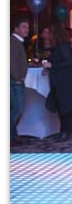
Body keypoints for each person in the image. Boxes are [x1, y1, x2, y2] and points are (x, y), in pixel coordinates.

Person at [42, 23, 72, 141]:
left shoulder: (62, 46)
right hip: (61, 79)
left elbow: (69, 61)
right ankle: (64, 130)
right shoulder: (59, 46)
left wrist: (52, 65)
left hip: (64, 80)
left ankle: (65, 130)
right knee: (62, 105)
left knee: (65, 105)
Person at [10, 16, 30, 148]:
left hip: (16, 80)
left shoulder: (17, 41)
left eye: (27, 27)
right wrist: (17, 77)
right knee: (16, 109)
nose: (26, 29)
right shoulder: (12, 42)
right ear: (16, 29)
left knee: (15, 109)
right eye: (23, 27)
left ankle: (13, 136)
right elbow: (11, 61)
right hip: (14, 81)